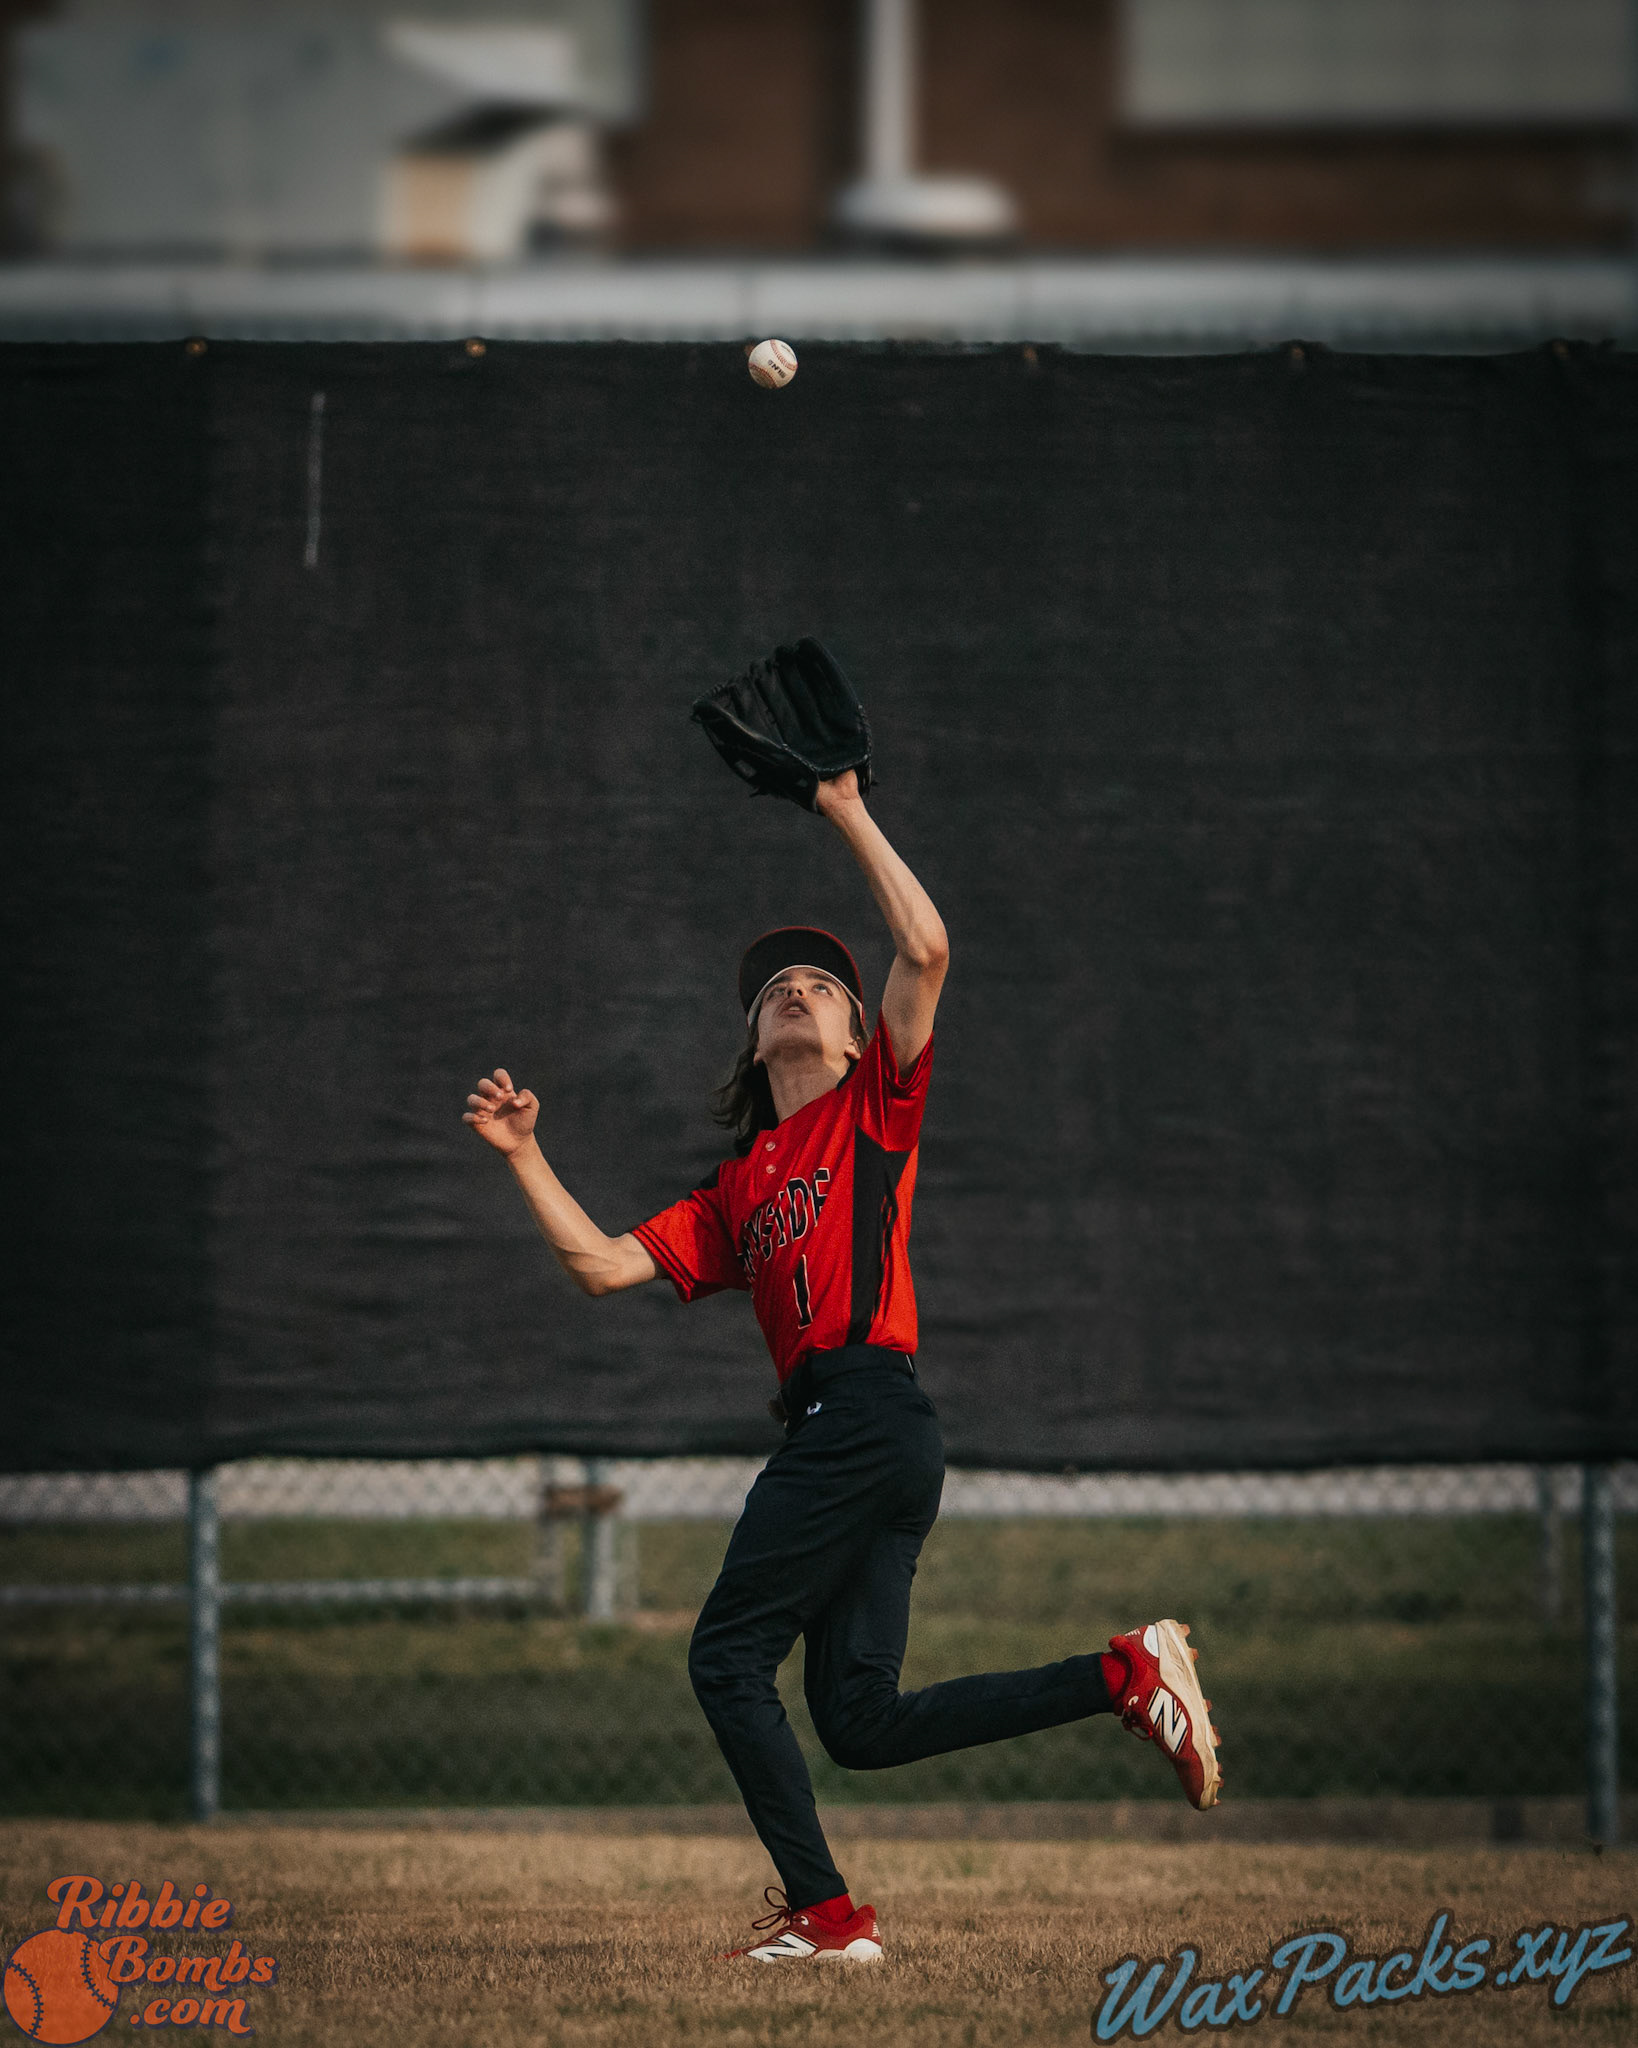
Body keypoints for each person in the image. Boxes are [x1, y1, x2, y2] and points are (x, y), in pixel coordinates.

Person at [464, 769, 1220, 1963]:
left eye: (821, 983)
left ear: (860, 1033)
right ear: (754, 1040)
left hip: (864, 1414)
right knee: (859, 1721)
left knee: (724, 1655)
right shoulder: (736, 1187)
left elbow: (923, 943)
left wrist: (840, 804)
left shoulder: (875, 1104)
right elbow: (603, 1266)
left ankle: (826, 1915)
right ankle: (1125, 1671)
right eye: (776, 988)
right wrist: (522, 1152)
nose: (798, 991)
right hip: (865, 1436)